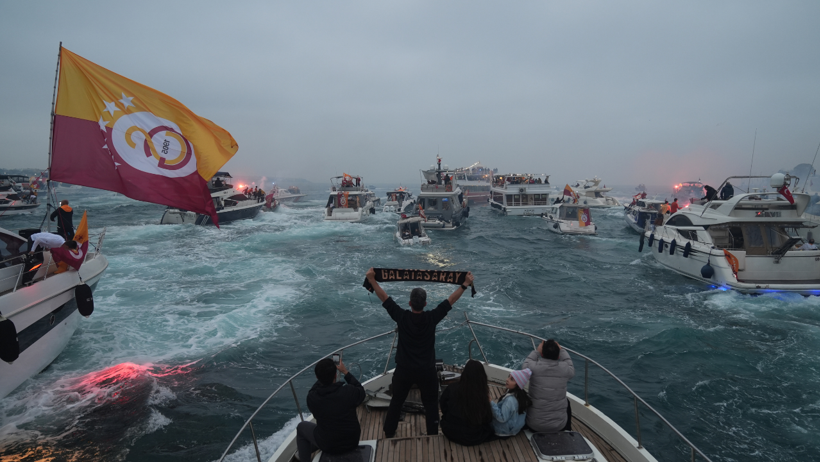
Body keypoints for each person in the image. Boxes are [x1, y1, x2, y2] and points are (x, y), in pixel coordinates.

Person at [365, 267, 475, 438]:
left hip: (404, 369)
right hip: (426, 370)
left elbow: (384, 298)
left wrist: (372, 280)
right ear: (425, 304)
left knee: (397, 401)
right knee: (431, 403)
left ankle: (389, 432)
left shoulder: (402, 317)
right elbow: (450, 300)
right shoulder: (432, 318)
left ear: (410, 303)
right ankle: (432, 434)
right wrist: (465, 284)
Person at [296, 357, 365, 462]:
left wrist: (323, 376)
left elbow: (314, 390)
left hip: (328, 445)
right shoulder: (349, 392)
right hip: (352, 442)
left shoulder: (313, 398)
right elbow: (361, 391)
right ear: (335, 375)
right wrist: (345, 372)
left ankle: (304, 455)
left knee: (301, 427)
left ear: (317, 377)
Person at [523, 339, 574, 433]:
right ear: (558, 356)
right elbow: (570, 366)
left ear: (542, 354)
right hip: (559, 426)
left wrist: (537, 351)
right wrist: (562, 351)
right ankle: (567, 430)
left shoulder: (533, 367)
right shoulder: (565, 369)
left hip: (534, 425)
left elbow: (525, 365)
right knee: (566, 402)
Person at [439, 360, 494, 445]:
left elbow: (443, 406)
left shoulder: (451, 388)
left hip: (450, 432)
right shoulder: (482, 395)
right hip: (473, 436)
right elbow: (488, 418)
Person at [490, 368, 533, 437]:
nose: (507, 379)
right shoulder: (522, 395)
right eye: (509, 377)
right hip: (515, 428)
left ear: (518, 385)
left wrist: (491, 403)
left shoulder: (510, 400)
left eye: (512, 379)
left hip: (504, 430)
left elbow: (502, 418)